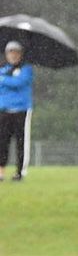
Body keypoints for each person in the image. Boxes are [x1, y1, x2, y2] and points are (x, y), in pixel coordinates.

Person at [0, 41, 33, 182]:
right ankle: (1, 171)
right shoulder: (3, 69)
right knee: (2, 141)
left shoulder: (26, 69)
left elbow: (19, 83)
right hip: (4, 110)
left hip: (21, 110)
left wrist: (4, 80)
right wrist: (8, 79)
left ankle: (20, 172)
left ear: (20, 54)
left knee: (21, 142)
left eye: (16, 52)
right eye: (10, 52)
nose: (13, 55)